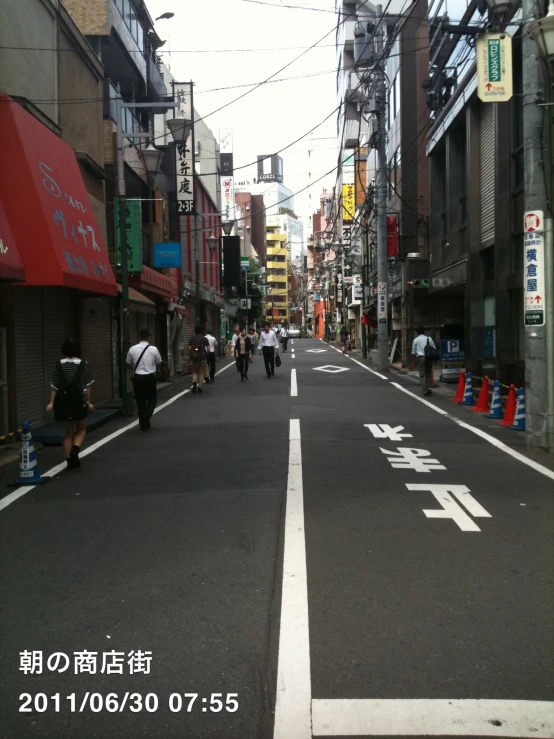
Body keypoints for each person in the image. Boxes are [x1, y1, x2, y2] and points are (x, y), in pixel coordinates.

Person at [47, 337, 94, 469]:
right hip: (78, 401)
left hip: (62, 402)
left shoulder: (58, 365)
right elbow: (88, 386)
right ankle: (75, 448)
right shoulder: (83, 365)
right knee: (81, 429)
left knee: (68, 433)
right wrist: (89, 402)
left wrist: (51, 403)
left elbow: (54, 386)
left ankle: (70, 460)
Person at [127, 328, 162, 430]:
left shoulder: (132, 349)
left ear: (139, 337)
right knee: (152, 399)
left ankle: (143, 423)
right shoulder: (153, 349)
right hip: (150, 377)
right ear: (149, 338)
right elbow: (159, 362)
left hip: (137, 377)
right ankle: (146, 416)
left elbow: (128, 363)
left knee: (140, 401)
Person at [411, 325, 436, 396]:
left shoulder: (415, 340)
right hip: (429, 358)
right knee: (428, 373)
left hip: (421, 358)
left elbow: (413, 352)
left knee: (422, 374)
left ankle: (425, 390)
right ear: (424, 331)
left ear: (417, 332)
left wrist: (413, 362)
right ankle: (429, 388)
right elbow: (434, 348)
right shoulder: (429, 338)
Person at [189, 323, 210, 394]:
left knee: (195, 371)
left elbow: (189, 348)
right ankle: (200, 387)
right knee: (201, 373)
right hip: (202, 357)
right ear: (201, 330)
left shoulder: (192, 338)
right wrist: (206, 354)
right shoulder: (204, 339)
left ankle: (194, 382)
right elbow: (208, 349)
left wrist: (190, 357)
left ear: (195, 330)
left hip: (194, 358)